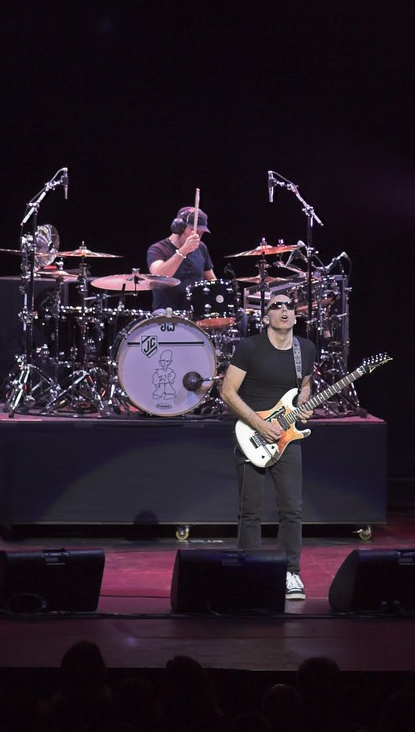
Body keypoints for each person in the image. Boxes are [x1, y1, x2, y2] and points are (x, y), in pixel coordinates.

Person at [218, 294, 316, 600]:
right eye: (277, 305)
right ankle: (250, 574)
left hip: (287, 436)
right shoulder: (249, 348)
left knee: (292, 509)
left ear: (296, 316)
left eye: (289, 306)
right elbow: (228, 391)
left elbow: (305, 385)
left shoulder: (305, 349)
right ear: (265, 317)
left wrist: (303, 405)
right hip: (252, 434)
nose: (284, 309)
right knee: (250, 511)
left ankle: (291, 573)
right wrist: (259, 424)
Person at [146, 205, 217, 296]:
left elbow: (211, 279)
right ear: (179, 227)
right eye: (194, 230)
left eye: (201, 232)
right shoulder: (157, 249)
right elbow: (159, 276)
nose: (198, 235)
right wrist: (183, 251)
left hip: (197, 304)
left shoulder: (201, 247)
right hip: (166, 305)